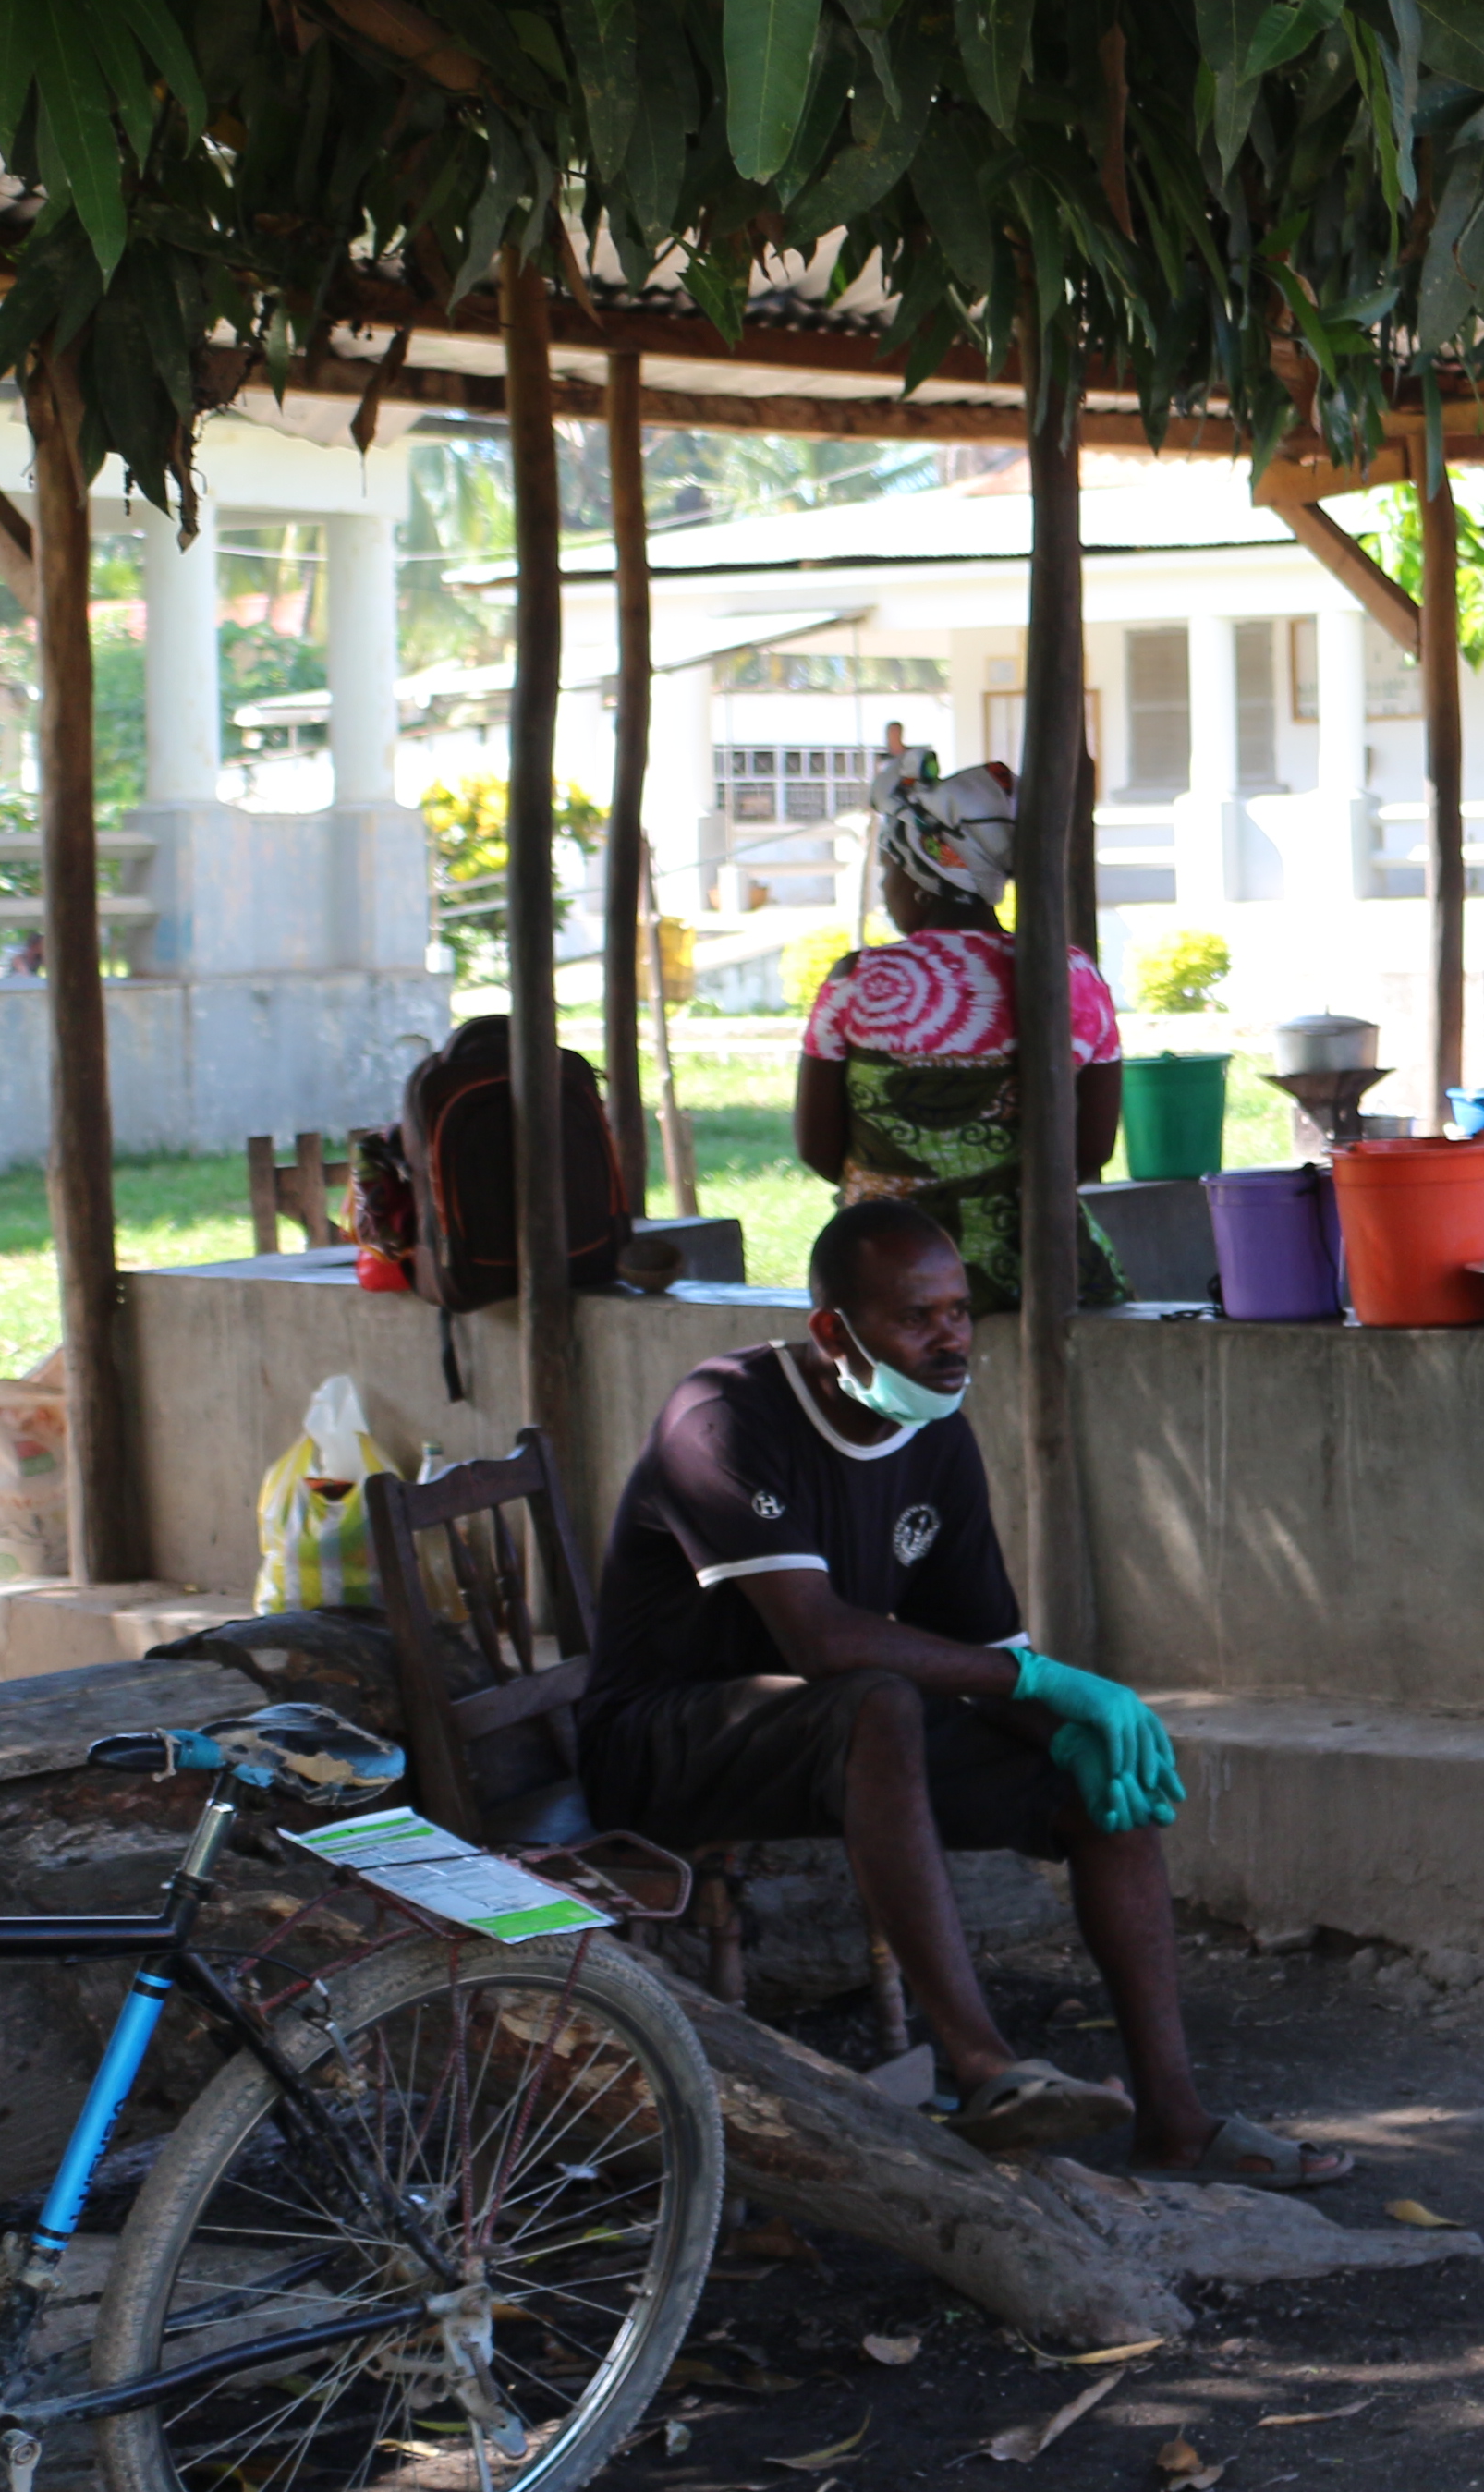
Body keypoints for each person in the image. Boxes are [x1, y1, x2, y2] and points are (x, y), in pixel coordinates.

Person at [578, 1197, 1355, 2183]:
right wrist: (1047, 1679)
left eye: (957, 1311)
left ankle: (1175, 2120)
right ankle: (988, 2071)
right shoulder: (724, 1417)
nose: (951, 1340)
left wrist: (1069, 1723)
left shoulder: (935, 1433)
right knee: (878, 1699)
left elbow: (984, 1650)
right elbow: (821, 1639)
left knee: (1089, 1781)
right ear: (833, 1331)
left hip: (839, 1737)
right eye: (916, 1318)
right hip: (663, 1747)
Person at [796, 748, 1122, 1309]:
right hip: (1043, 1273)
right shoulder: (1073, 975)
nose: (885, 889)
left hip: (891, 1279)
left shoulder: (860, 980)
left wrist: (904, 1185)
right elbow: (1092, 1150)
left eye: (889, 870)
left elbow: (817, 1147)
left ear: (923, 878)